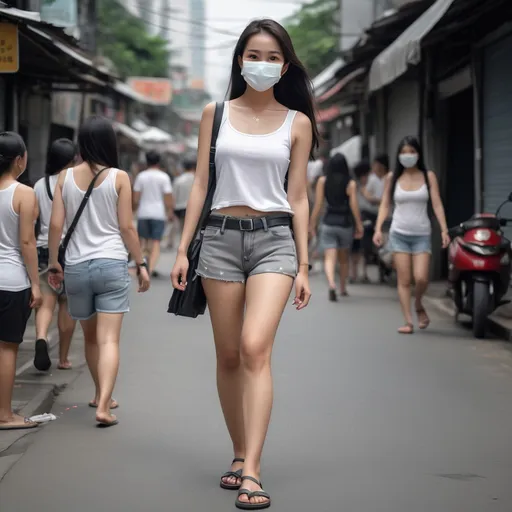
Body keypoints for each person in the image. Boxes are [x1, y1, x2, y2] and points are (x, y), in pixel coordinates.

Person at [171, 18, 315, 510]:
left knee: (256, 348)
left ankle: (252, 470)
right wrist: (181, 248)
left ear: (285, 65)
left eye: (273, 57)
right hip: (219, 241)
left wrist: (305, 264)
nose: (262, 64)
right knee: (229, 356)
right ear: (239, 60)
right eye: (253, 55)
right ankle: (238, 453)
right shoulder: (216, 113)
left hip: (275, 240)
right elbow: (197, 183)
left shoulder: (299, 123)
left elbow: (297, 195)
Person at [48, 116, 150, 427]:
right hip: (111, 264)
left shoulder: (64, 178)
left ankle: (97, 393)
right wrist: (141, 263)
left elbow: (55, 225)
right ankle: (104, 404)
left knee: (90, 339)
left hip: (77, 267)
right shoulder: (119, 177)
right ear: (110, 143)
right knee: (109, 341)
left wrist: (54, 262)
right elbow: (126, 227)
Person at [373, 136, 450, 334]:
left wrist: (444, 229)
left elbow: (437, 204)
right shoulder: (393, 178)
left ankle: (418, 304)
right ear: (399, 155)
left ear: (418, 154)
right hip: (399, 234)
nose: (408, 156)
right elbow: (385, 204)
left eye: (411, 152)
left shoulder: (428, 176)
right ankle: (408, 321)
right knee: (404, 280)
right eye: (404, 152)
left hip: (422, 235)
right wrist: (378, 228)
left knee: (422, 278)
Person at [0, 132, 42, 430]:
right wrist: (36, 284)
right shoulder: (24, 193)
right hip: (11, 281)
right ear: (19, 160)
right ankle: (4, 414)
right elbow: (27, 242)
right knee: (7, 348)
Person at [33, 139, 77, 371]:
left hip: (44, 250)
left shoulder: (40, 185)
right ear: (72, 161)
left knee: (47, 303)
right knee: (67, 305)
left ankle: (41, 336)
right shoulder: (74, 182)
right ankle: (63, 358)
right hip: (70, 250)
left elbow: (34, 218)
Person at [310, 153, 364, 300]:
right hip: (345, 224)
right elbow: (354, 205)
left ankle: (331, 284)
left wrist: (312, 223)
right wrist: (359, 224)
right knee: (344, 259)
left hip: (328, 223)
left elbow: (319, 204)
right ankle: (342, 288)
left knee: (329, 258)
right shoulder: (350, 183)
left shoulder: (323, 181)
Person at [133, 150, 174, 277]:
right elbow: (168, 198)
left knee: (143, 242)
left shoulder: (141, 176)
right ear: (159, 161)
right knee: (156, 242)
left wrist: (134, 210)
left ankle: (141, 266)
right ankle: (150, 269)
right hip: (158, 213)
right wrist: (170, 212)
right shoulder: (164, 177)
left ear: (147, 161)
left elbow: (135, 198)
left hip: (143, 213)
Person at [350, 160, 372, 283]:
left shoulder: (354, 185)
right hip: (360, 219)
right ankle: (359, 273)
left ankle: (356, 274)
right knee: (360, 248)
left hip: (357, 219)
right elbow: (366, 203)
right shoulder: (359, 188)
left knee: (358, 248)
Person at [172, 157, 196, 239]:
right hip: (195, 209)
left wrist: (171, 211)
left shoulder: (178, 180)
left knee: (183, 231)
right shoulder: (197, 179)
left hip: (180, 208)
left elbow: (174, 196)